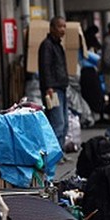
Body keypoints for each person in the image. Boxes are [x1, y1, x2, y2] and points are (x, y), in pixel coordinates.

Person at [38, 16, 69, 151]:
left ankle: (59, 152)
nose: (62, 29)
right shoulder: (47, 45)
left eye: (64, 26)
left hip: (61, 87)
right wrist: (48, 87)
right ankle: (53, 154)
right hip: (53, 89)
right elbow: (45, 67)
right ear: (52, 28)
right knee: (58, 122)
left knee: (64, 123)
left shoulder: (58, 45)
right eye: (59, 26)